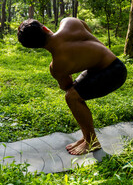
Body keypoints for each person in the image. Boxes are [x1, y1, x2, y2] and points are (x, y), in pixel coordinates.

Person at [17, 17, 127, 155]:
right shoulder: (69, 22)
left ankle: (91, 141)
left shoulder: (57, 66)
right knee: (74, 94)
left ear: (36, 47)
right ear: (45, 28)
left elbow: (66, 85)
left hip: (113, 74)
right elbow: (89, 33)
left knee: (72, 97)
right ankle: (87, 136)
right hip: (115, 65)